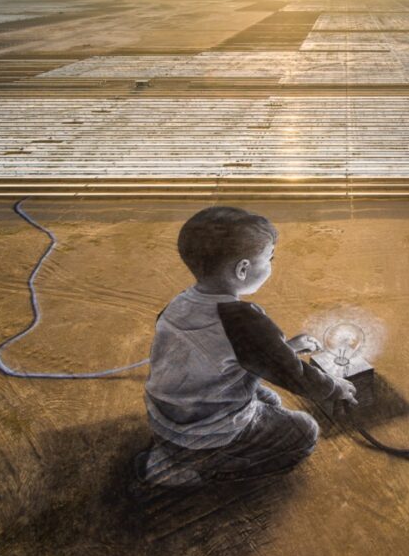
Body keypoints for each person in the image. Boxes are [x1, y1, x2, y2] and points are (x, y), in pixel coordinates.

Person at [137, 206, 357, 488]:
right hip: (203, 431)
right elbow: (295, 376)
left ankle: (174, 450)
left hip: (165, 417)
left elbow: (222, 352)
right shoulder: (243, 320)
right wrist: (335, 387)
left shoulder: (179, 303)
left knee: (270, 401)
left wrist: (285, 347)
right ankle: (200, 468)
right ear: (242, 269)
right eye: (269, 258)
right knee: (305, 431)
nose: (272, 264)